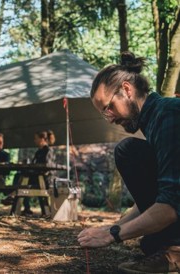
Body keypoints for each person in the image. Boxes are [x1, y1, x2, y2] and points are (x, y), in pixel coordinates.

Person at [77, 51, 180, 273]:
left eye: (109, 107)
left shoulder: (169, 115)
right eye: (105, 113)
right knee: (129, 150)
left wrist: (112, 235)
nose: (110, 118)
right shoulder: (154, 120)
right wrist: (113, 228)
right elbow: (157, 196)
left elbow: (171, 204)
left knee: (127, 150)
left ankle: (175, 252)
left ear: (126, 90)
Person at [21, 130, 56, 217]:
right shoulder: (38, 152)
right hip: (37, 176)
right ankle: (25, 207)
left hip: (46, 178)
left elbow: (47, 167)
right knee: (21, 177)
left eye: (36, 139)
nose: (34, 141)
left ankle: (16, 198)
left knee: (23, 180)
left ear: (42, 139)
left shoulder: (48, 151)